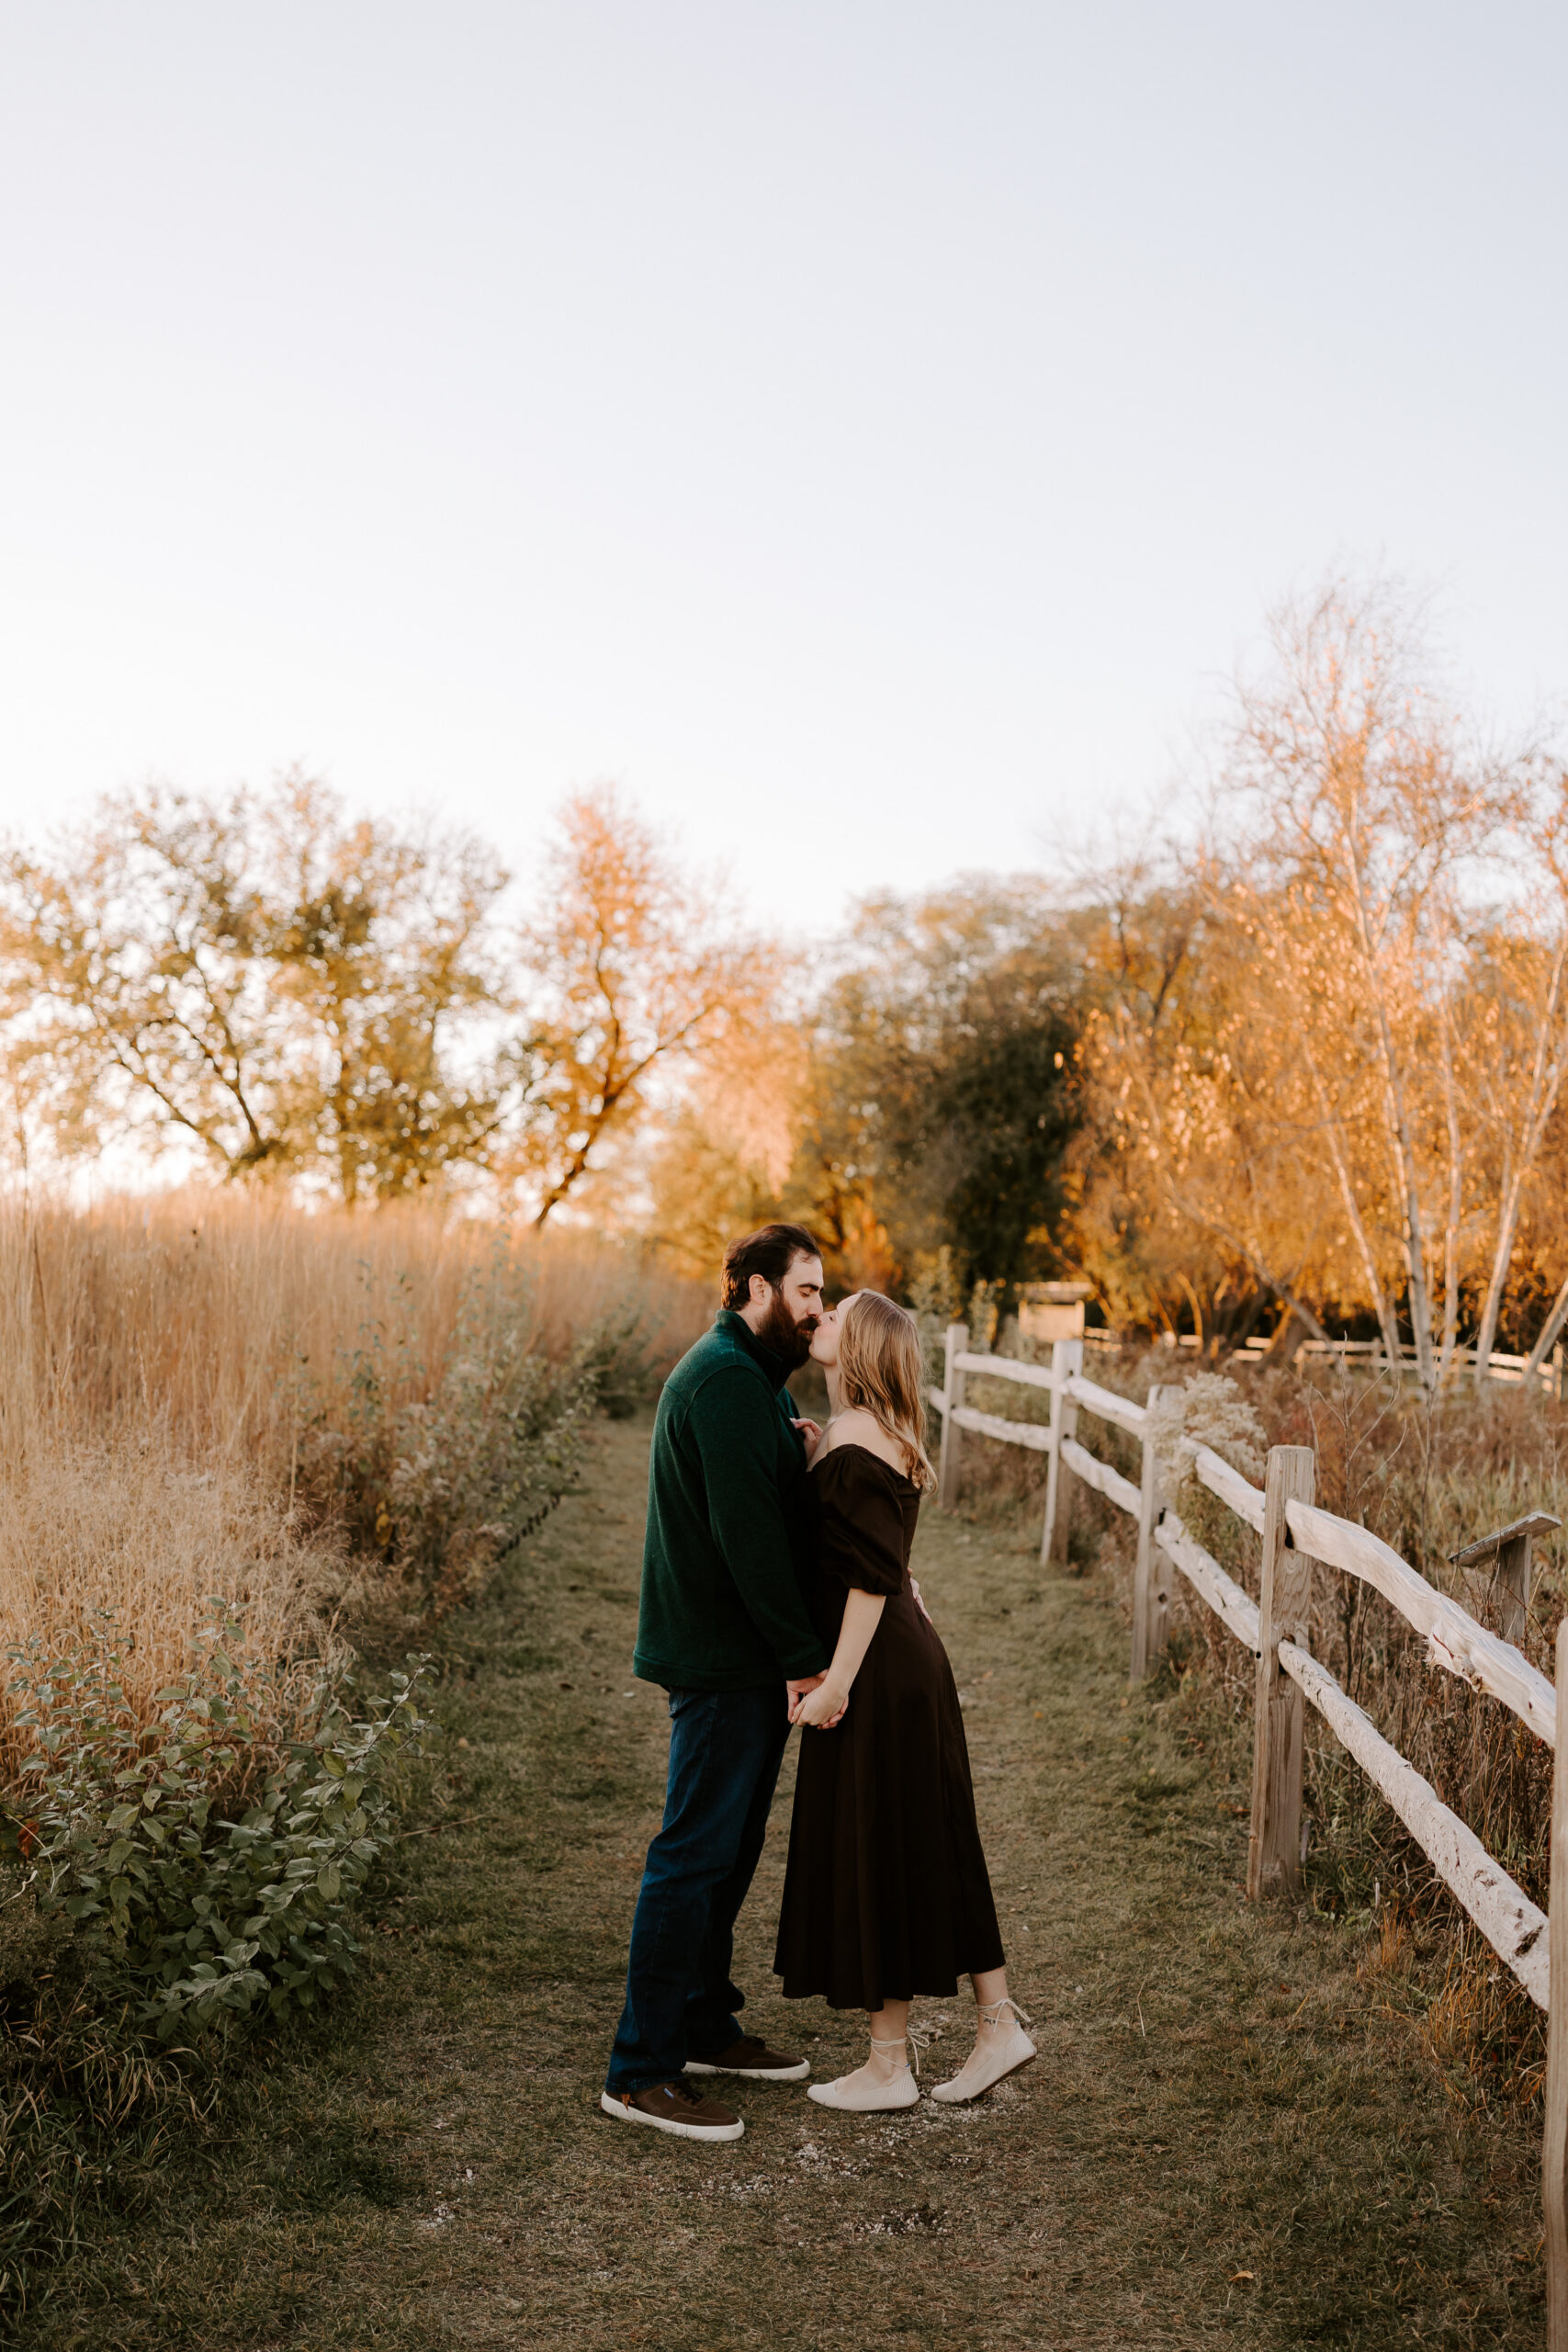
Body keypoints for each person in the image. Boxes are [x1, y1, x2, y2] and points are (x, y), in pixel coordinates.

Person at [773, 1290, 1034, 2110]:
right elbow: (872, 1552)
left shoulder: (856, 1439)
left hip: (877, 1670)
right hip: (901, 1662)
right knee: (924, 1835)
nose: (821, 1316)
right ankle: (993, 2024)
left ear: (859, 1344)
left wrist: (837, 1682)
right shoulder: (862, 1432)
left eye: (837, 1312)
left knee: (879, 1843)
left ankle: (891, 2067)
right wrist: (811, 1455)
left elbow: (865, 1580)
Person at [602, 1224, 832, 2143]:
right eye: (807, 1291)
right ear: (758, 1289)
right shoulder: (728, 1379)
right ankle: (638, 2071)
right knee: (693, 1854)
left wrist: (798, 1452)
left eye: (820, 1293)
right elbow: (750, 1541)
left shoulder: (755, 1378)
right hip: (722, 1659)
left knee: (727, 1852)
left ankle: (701, 2023)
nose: (818, 1309)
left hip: (741, 1657)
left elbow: (759, 1494)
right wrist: (805, 1661)